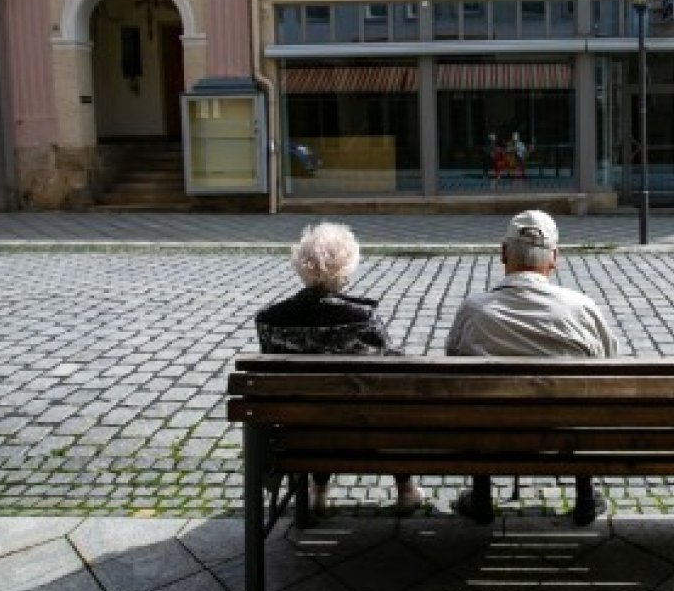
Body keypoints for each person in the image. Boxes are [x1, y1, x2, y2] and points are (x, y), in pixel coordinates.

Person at [445, 210, 619, 525]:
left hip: (490, 433)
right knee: (585, 401)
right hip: (566, 433)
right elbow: (609, 364)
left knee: (475, 404)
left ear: (503, 254)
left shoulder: (473, 310)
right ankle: (585, 497)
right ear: (554, 258)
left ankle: (481, 496)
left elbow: (452, 363)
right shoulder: (582, 308)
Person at [255, 222, 424, 515]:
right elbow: (391, 370)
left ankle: (317, 491)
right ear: (346, 268)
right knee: (387, 405)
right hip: (362, 426)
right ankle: (406, 489)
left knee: (318, 409)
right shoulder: (361, 317)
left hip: (296, 432)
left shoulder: (270, 319)